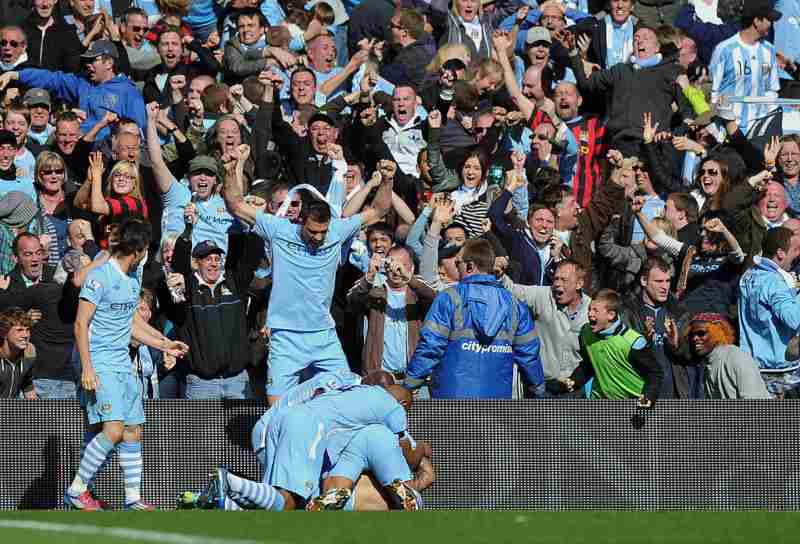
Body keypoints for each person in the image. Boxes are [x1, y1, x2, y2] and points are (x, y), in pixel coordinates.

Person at [221, 143, 397, 405]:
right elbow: (235, 204)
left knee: (345, 401)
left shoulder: (336, 231)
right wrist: (228, 170)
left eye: (322, 232)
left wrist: (387, 181)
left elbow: (379, 210)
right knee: (278, 409)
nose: (318, 237)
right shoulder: (279, 229)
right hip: (285, 336)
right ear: (301, 221)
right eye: (313, 231)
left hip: (323, 335)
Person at [65, 218, 188, 510]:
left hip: (122, 363)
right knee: (113, 430)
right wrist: (88, 368)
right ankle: (77, 488)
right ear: (139, 249)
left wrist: (164, 343)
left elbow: (131, 322)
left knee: (133, 430)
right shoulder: (100, 277)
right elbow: (81, 324)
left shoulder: (133, 280)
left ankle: (132, 498)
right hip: (99, 361)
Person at [403, 238, 544, 398]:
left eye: (458, 264)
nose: (456, 269)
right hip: (497, 401)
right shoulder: (515, 305)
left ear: (469, 266)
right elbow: (529, 354)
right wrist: (537, 389)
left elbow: (430, 347)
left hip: (451, 401)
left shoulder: (449, 298)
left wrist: (408, 385)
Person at [0, 39, 147, 141]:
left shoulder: (128, 91)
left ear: (109, 63)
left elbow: (139, 130)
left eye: (92, 60)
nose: (87, 64)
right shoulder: (81, 82)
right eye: (86, 60)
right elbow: (51, 79)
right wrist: (16, 74)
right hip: (76, 148)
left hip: (107, 155)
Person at [501, 259, 591, 397]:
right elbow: (512, 290)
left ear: (579, 284)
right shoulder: (543, 296)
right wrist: (499, 275)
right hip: (542, 387)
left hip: (575, 390)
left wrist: (579, 378)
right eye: (556, 279)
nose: (557, 284)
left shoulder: (591, 310)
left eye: (564, 280)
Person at [562, 288, 662, 404]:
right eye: (589, 309)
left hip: (631, 405)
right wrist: (574, 380)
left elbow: (655, 373)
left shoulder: (633, 341)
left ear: (610, 315)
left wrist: (648, 397)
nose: (590, 314)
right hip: (598, 402)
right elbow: (588, 364)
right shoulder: (586, 332)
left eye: (595, 310)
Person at [738, 226, 800, 397]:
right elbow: (793, 319)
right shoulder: (775, 282)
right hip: (780, 370)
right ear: (780, 253)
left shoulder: (749, 275)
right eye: (795, 250)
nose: (797, 255)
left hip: (754, 365)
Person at [710, 0, 781, 134]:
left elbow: (772, 89)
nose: (771, 24)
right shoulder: (724, 49)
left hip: (760, 129)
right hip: (731, 131)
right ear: (757, 21)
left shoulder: (769, 50)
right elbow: (714, 92)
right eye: (769, 19)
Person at [687, 312, 770, 400]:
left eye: (701, 333)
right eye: (691, 335)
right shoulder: (709, 364)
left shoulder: (737, 358)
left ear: (718, 332)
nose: (694, 338)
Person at [0, 306, 36, 399]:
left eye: (27, 330)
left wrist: (38, 410)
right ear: (4, 333)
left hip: (11, 410)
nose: (25, 335)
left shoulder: (29, 354)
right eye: (19, 330)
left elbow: (28, 387)